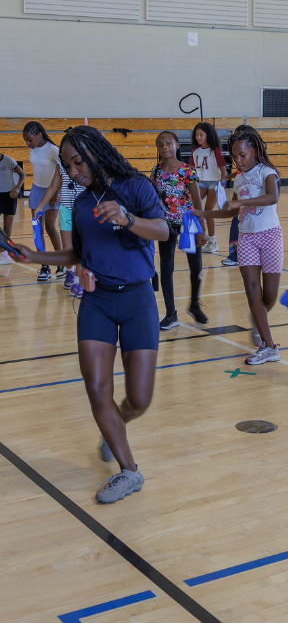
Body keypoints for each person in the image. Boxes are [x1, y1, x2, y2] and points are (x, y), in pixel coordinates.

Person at [14, 126, 169, 504]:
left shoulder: (136, 187)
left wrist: (127, 219)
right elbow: (76, 256)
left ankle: (115, 424)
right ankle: (129, 471)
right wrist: (35, 256)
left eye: (78, 161)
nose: (73, 170)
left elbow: (163, 230)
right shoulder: (81, 203)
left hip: (137, 301)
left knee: (139, 399)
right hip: (97, 303)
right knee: (98, 390)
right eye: (67, 165)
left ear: (97, 152)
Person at [194, 128, 282, 364]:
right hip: (247, 238)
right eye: (235, 157)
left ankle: (258, 317)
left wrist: (242, 201)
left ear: (254, 150)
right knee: (252, 290)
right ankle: (269, 346)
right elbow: (231, 211)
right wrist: (203, 212)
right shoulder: (239, 179)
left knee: (270, 295)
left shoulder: (267, 172)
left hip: (270, 235)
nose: (238, 161)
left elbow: (272, 197)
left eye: (242, 155)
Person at [151, 131, 208, 330]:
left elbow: (197, 201)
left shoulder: (187, 170)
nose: (164, 147)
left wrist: (203, 228)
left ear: (176, 144)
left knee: (196, 267)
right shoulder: (156, 171)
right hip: (165, 226)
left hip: (188, 224)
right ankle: (171, 314)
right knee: (166, 269)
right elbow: (152, 199)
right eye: (160, 144)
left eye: (168, 143)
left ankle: (194, 303)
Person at [22, 121, 64, 281]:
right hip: (36, 190)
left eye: (30, 139)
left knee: (50, 227)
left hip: (52, 191)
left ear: (39, 135)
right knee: (37, 228)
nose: (27, 143)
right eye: (25, 140)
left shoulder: (53, 150)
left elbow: (62, 173)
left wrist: (56, 194)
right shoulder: (32, 147)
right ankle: (44, 266)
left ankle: (61, 264)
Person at [34, 164, 86, 292]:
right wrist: (40, 206)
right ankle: (69, 271)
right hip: (66, 209)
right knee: (67, 248)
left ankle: (78, 282)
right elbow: (53, 185)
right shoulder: (60, 162)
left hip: (84, 208)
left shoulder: (87, 158)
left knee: (81, 247)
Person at [221, 125, 260, 269]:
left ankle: (238, 256)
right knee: (236, 225)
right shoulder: (240, 156)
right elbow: (239, 173)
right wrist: (227, 176)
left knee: (244, 227)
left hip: (252, 199)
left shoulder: (258, 164)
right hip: (241, 194)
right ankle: (235, 255)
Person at [189, 122, 226, 254]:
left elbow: (223, 169)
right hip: (200, 182)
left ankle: (212, 242)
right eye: (197, 135)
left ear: (207, 135)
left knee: (208, 211)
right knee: (193, 206)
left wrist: (222, 182)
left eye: (201, 135)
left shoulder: (214, 150)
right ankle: (197, 235)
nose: (198, 137)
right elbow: (192, 168)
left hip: (214, 183)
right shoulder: (195, 151)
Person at [0, 152, 26, 264]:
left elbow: (23, 174)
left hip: (9, 196)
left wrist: (17, 188)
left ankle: (5, 254)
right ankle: (4, 253)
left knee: (7, 228)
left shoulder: (9, 160)